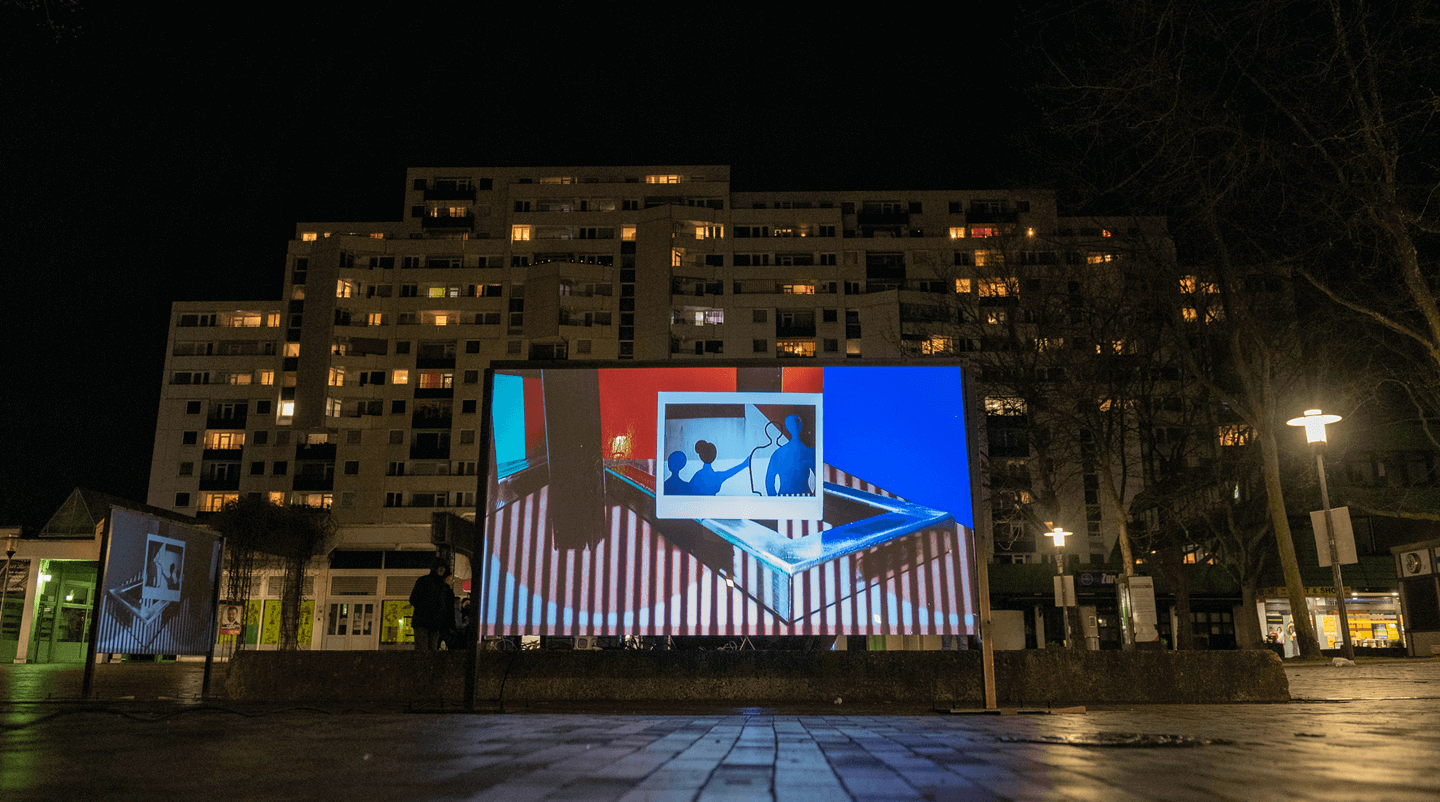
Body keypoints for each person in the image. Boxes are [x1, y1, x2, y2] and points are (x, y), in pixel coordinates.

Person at [409, 557, 455, 650]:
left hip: (425, 621)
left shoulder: (423, 581)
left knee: (423, 649)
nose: (442, 569)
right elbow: (447, 607)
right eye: (440, 566)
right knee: (430, 650)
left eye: (443, 567)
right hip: (431, 623)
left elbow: (413, 599)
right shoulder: (444, 587)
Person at [765, 414, 816, 496]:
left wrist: (775, 499)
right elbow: (769, 480)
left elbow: (769, 481)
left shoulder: (778, 453)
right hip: (802, 496)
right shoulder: (809, 452)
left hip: (789, 497)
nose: (795, 426)